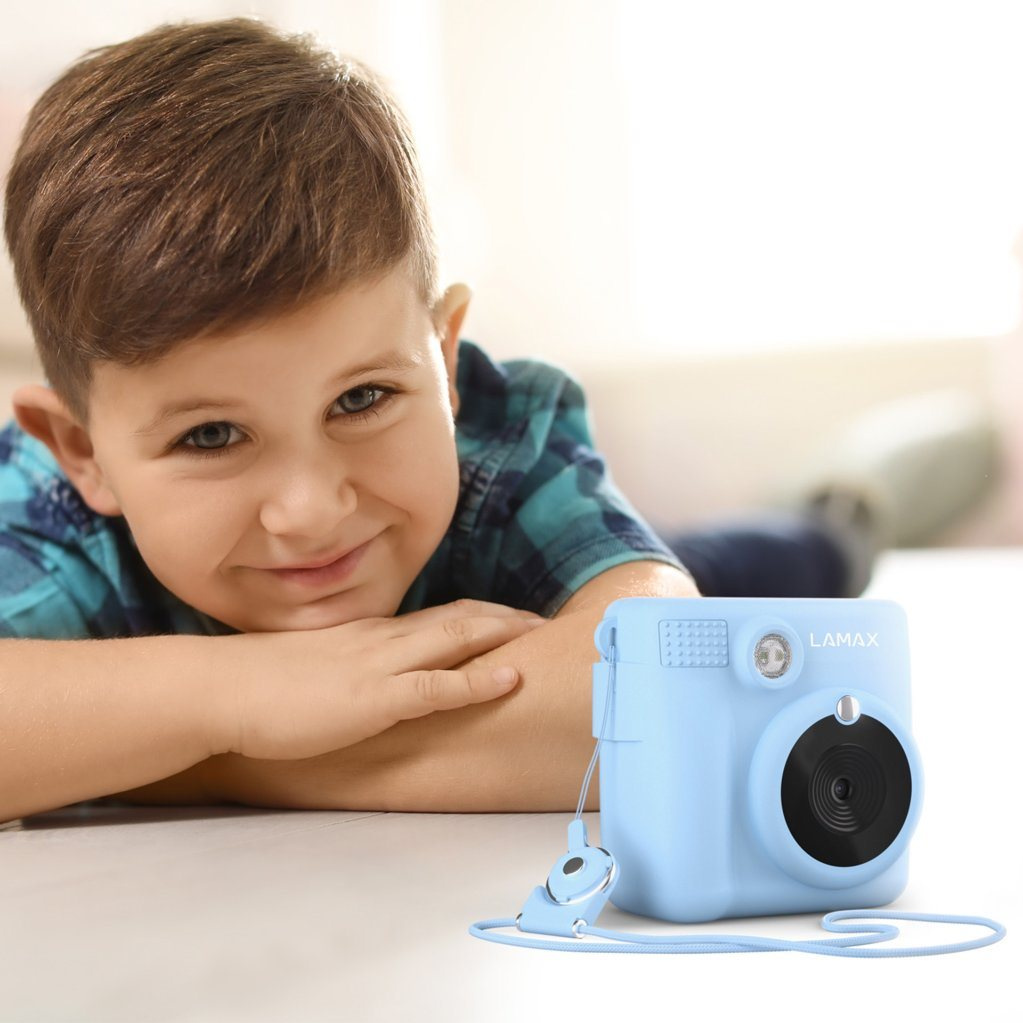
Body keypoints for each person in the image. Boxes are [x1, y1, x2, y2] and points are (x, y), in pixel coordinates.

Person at [0, 17, 984, 824]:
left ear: (444, 360)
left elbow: (662, 694)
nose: (312, 509)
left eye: (362, 399)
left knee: (773, 566)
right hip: (511, 610)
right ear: (83, 452)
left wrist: (186, 750)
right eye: (211, 436)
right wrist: (242, 696)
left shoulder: (501, 445)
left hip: (567, 570)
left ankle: (841, 509)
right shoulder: (49, 514)